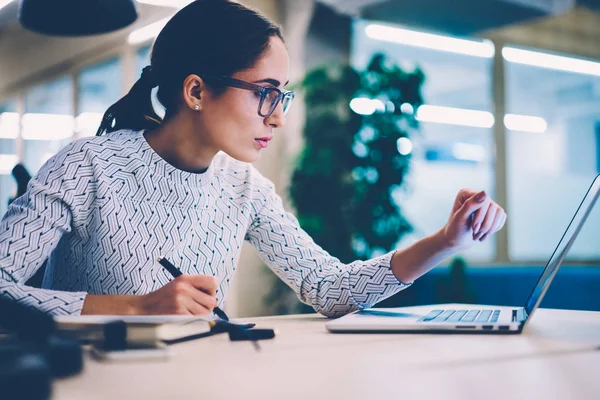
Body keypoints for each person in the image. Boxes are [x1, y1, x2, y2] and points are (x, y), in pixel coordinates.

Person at [0, 0, 506, 318]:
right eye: (265, 93)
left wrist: (445, 241)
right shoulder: (86, 166)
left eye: (282, 96)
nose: (278, 117)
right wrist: (133, 307)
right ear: (196, 90)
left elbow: (327, 288)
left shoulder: (244, 186)